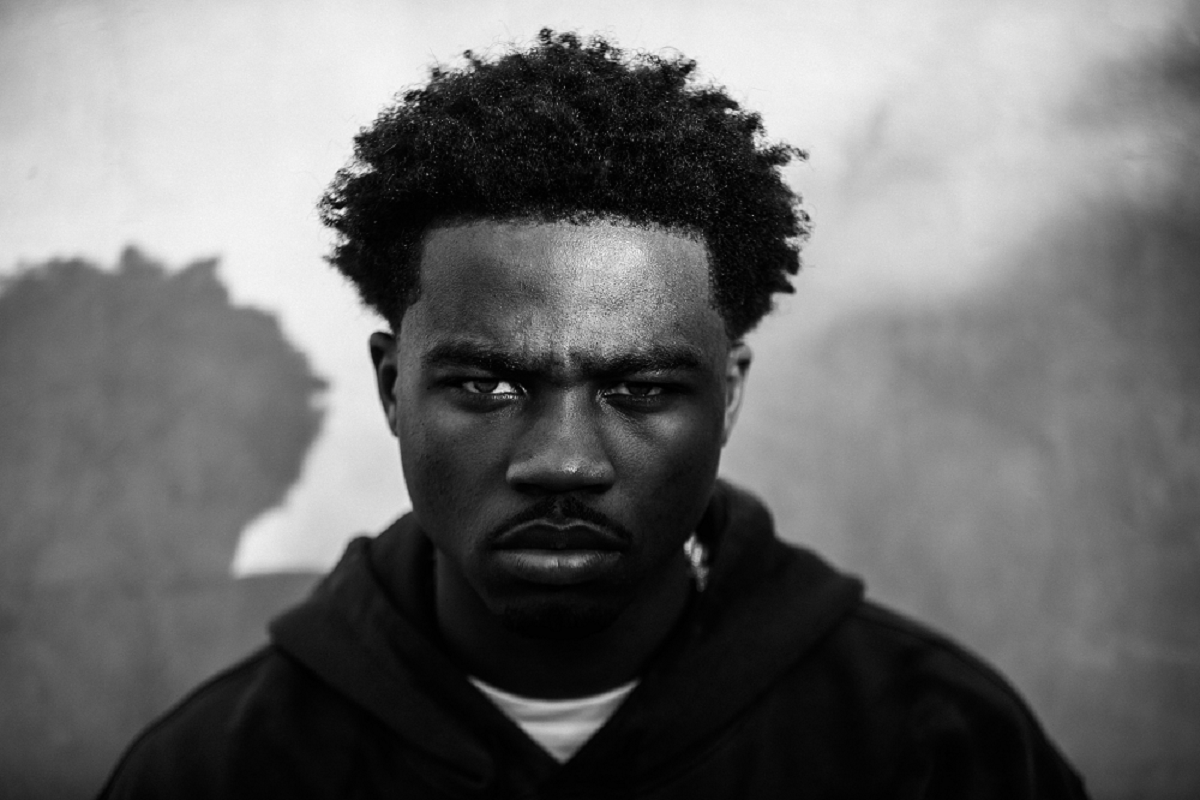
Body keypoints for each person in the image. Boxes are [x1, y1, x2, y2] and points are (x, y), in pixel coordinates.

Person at [99, 30, 1090, 798]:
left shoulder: (939, 746)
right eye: (487, 385)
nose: (564, 461)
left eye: (642, 389)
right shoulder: (216, 771)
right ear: (392, 386)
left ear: (730, 394)